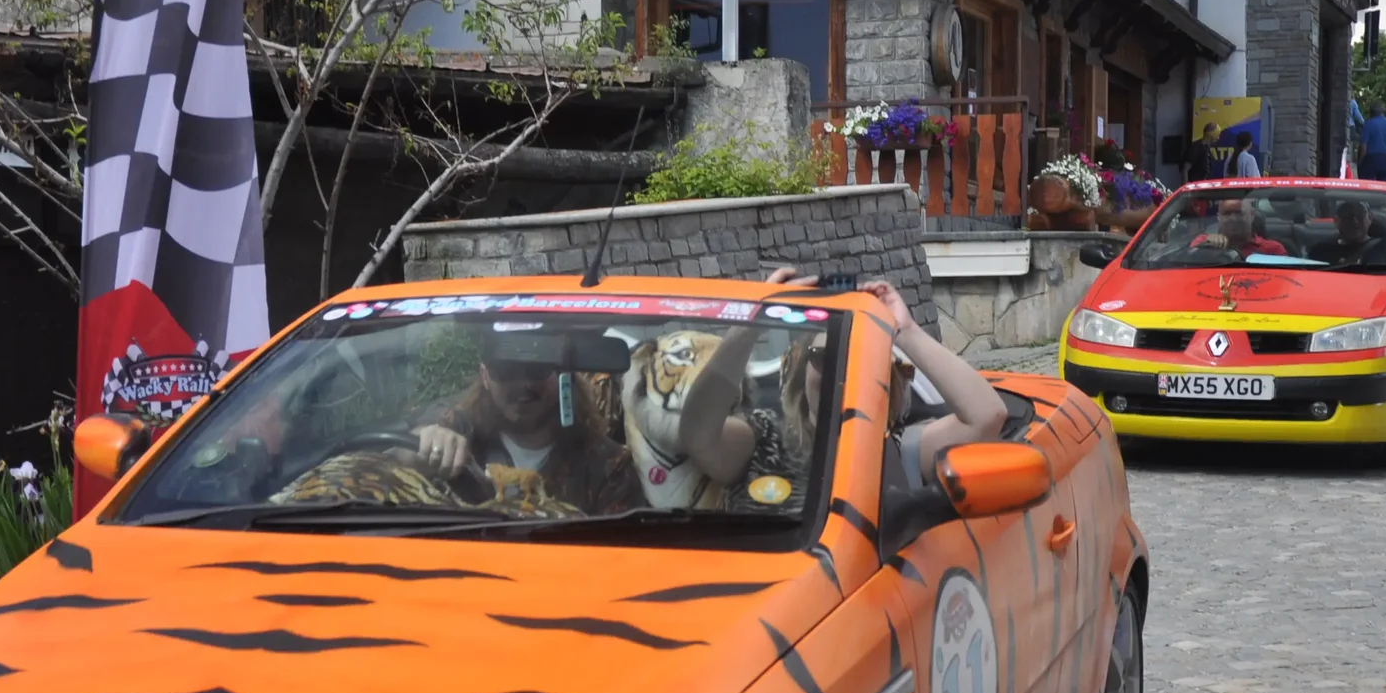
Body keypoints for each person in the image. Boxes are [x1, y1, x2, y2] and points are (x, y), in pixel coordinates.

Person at [676, 274, 1006, 508]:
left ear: (885, 382)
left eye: (856, 359)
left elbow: (987, 416)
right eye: (823, 357)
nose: (839, 371)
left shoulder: (898, 451)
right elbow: (696, 434)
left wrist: (905, 330)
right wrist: (752, 321)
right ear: (801, 371)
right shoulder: (763, 439)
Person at [413, 330, 645, 515]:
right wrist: (425, 445)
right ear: (485, 376)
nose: (523, 383)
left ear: (564, 376)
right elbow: (392, 462)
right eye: (506, 370)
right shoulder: (461, 432)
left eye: (538, 369)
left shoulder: (607, 466)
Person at [1193, 199, 1290, 259]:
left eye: (1239, 213)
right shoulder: (1203, 241)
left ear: (1252, 215)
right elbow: (1188, 261)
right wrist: (1207, 246)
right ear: (1219, 218)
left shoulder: (1273, 250)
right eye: (1227, 213)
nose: (1233, 219)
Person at [1359, 103, 1386, 182]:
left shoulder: (1368, 124)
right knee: (1384, 187)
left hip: (1370, 160)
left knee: (1368, 185)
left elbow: (1363, 147)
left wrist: (1360, 161)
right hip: (1385, 159)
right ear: (1382, 112)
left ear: (1371, 113)